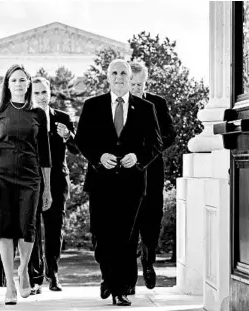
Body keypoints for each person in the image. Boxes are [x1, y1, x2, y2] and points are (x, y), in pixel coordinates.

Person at [75, 59, 163, 306]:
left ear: (129, 76)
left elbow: (156, 143)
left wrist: (139, 158)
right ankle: (108, 277)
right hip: (100, 181)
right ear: (108, 77)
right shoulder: (92, 106)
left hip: (132, 183)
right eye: (114, 72)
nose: (119, 77)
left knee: (126, 237)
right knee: (101, 236)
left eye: (123, 72)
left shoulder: (146, 108)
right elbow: (82, 140)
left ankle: (120, 288)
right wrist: (98, 156)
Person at [0, 64, 52, 305]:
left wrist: (48, 189)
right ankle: (10, 284)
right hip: (2, 177)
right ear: (7, 85)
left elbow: (45, 154)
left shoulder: (38, 114)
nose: (19, 84)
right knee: (4, 229)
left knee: (27, 227)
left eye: (23, 80)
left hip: (30, 178)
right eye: (14, 80)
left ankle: (23, 270)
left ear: (29, 83)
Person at [127, 61, 176, 294]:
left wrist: (149, 149)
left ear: (146, 81)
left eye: (140, 84)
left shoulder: (158, 103)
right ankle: (127, 278)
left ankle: (148, 261)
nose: (136, 88)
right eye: (132, 84)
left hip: (153, 171)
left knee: (152, 223)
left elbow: (170, 134)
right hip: (126, 174)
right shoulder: (120, 105)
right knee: (129, 223)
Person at [28, 77, 79, 295]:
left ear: (50, 93)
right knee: (32, 228)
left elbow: (77, 148)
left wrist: (67, 136)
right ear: (32, 95)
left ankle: (53, 274)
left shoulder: (63, 118)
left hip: (58, 180)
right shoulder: (26, 118)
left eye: (44, 92)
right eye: (37, 93)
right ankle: (35, 276)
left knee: (54, 228)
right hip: (31, 180)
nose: (41, 96)